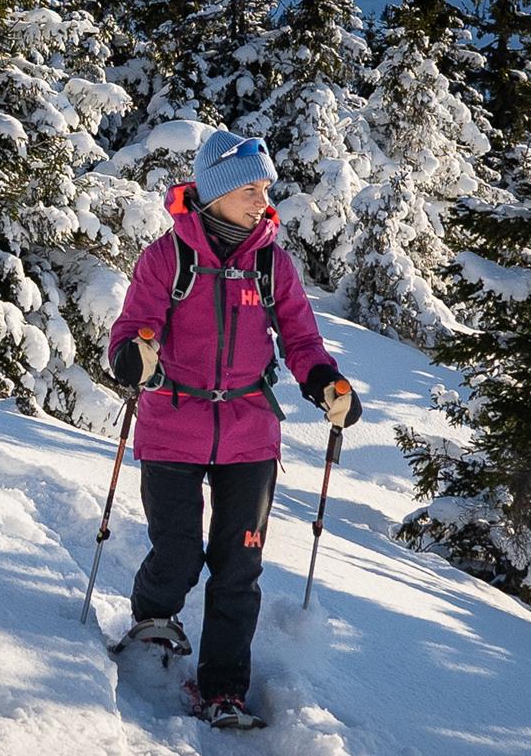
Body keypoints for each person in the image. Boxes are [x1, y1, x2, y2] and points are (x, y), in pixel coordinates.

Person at [104, 129, 361, 729]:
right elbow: (134, 325)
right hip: (172, 423)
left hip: (249, 433)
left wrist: (326, 381)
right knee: (177, 550)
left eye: (265, 186)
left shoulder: (271, 263)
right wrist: (132, 355)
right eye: (250, 187)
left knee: (238, 567)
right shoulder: (167, 258)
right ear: (215, 193)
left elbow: (300, 336)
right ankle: (153, 625)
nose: (262, 198)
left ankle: (224, 690)